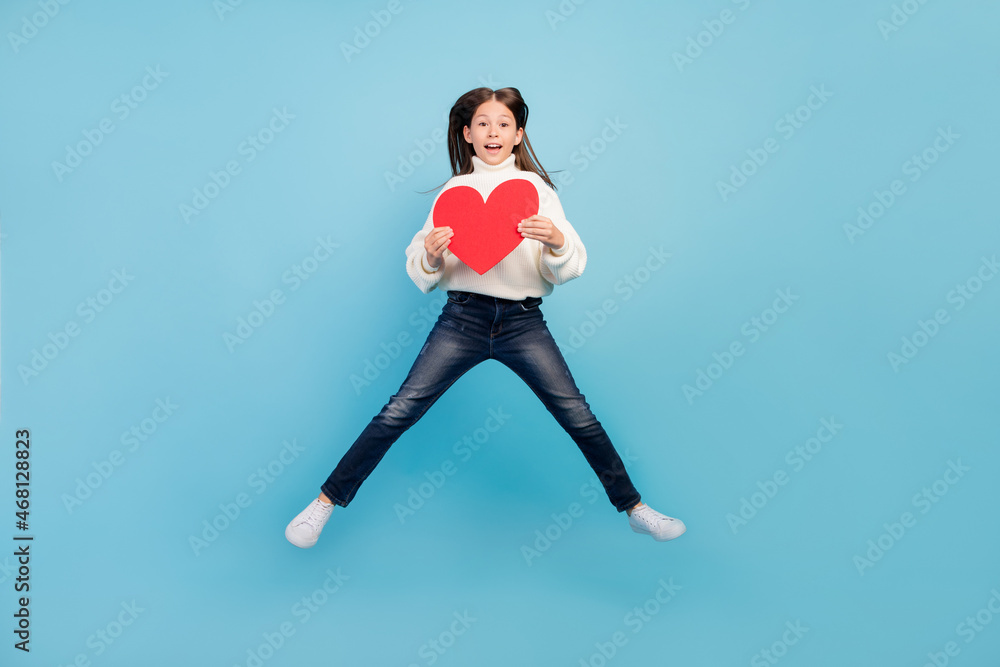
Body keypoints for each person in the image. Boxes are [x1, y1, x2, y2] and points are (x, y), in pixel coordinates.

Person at [285, 86, 685, 548]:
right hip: (462, 319)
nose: (492, 131)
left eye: (503, 124)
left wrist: (556, 241)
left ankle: (635, 509)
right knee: (400, 409)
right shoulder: (453, 193)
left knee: (577, 413)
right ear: (467, 134)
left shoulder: (537, 192)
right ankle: (324, 503)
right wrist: (432, 257)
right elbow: (421, 269)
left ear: (518, 135)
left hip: (523, 322)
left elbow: (571, 266)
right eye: (482, 124)